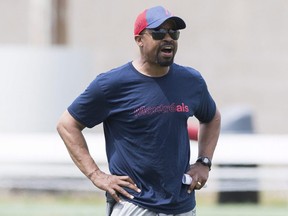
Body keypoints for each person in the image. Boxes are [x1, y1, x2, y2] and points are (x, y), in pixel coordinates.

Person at [57, 5, 221, 216]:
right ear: (139, 40)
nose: (168, 38)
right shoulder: (112, 84)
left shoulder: (191, 81)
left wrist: (204, 162)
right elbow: (67, 124)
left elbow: (212, 117)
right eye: (159, 32)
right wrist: (96, 175)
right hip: (134, 205)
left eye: (174, 32)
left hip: (182, 206)